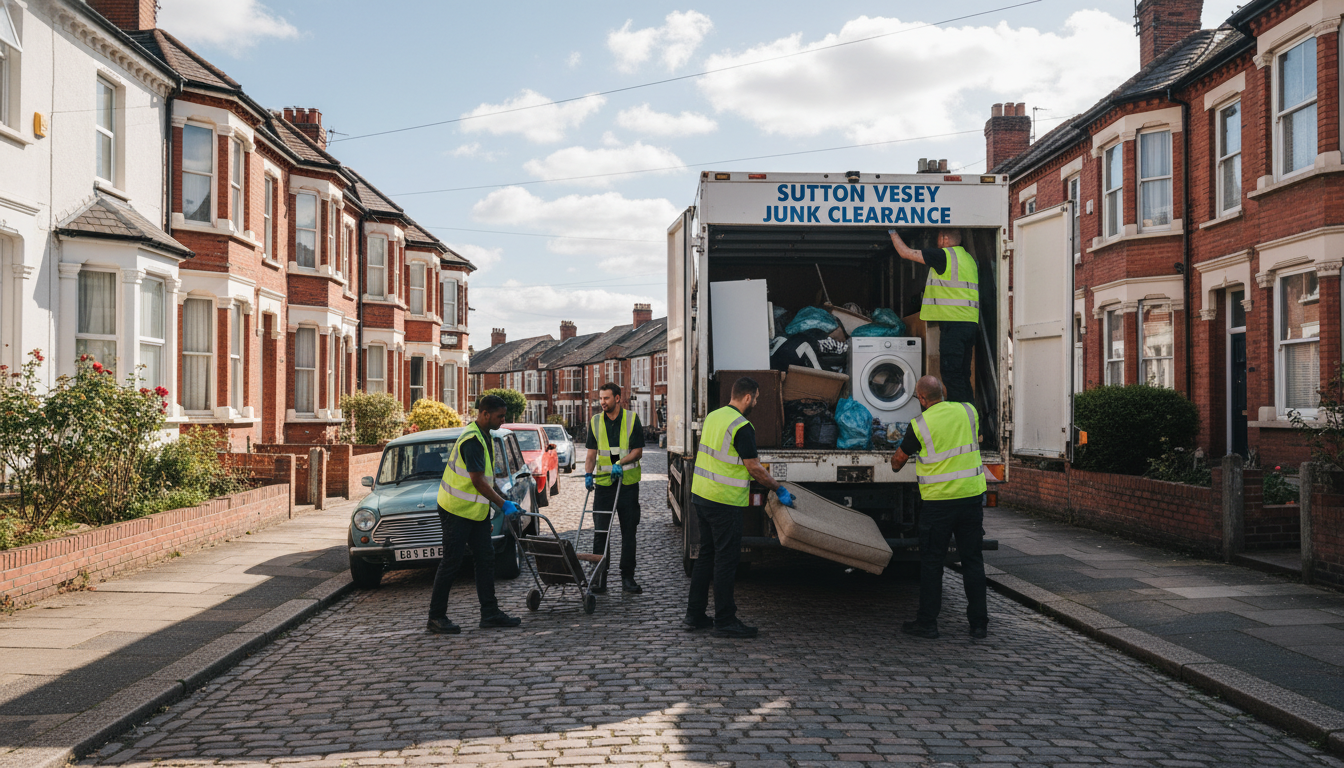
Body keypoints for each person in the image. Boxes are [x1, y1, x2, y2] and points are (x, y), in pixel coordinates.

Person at [683, 376, 795, 639]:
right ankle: (725, 620)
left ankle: (694, 614)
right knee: (726, 560)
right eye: (756, 398)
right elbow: (753, 467)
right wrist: (777, 488)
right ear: (747, 397)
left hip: (701, 496)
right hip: (724, 501)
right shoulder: (742, 426)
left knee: (706, 556)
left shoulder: (713, 417)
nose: (756, 403)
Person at [889, 375, 988, 640]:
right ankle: (979, 624)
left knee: (932, 563)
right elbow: (975, 437)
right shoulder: (968, 411)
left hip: (938, 504)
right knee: (973, 561)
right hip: (971, 498)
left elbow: (898, 462)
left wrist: (897, 458)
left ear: (922, 399)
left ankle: (928, 623)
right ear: (943, 391)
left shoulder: (919, 425)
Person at [427, 394, 523, 634]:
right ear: (485, 414)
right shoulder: (472, 440)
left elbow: (487, 479)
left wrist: (497, 505)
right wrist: (503, 505)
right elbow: (478, 481)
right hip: (455, 510)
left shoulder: (485, 435)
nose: (503, 420)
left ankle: (490, 613)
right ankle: (436, 617)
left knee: (486, 559)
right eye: (500, 416)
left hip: (474, 513)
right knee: (452, 562)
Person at [888, 228, 979, 405]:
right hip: (969, 325)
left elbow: (905, 252)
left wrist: (891, 230)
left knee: (952, 376)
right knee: (962, 376)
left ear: (944, 239)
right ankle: (971, 417)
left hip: (954, 325)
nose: (936, 241)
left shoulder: (944, 256)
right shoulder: (968, 259)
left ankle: (958, 416)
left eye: (938, 237)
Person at [584, 383, 644, 594]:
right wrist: (588, 473)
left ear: (617, 398)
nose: (602, 402)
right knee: (601, 532)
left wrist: (620, 463)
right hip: (603, 486)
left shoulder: (632, 419)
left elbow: (637, 451)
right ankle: (599, 578)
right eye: (600, 398)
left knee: (629, 533)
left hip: (627, 485)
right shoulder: (595, 421)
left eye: (606, 398)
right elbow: (591, 454)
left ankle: (627, 578)